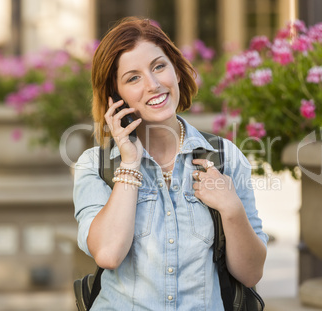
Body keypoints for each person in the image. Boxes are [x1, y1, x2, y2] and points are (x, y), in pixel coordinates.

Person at [73, 17, 268, 310]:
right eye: (133, 78)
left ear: (176, 70)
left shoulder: (225, 157)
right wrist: (129, 162)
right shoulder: (95, 165)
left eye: (158, 67)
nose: (153, 85)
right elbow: (108, 254)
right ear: (116, 96)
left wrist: (231, 208)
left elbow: (251, 273)